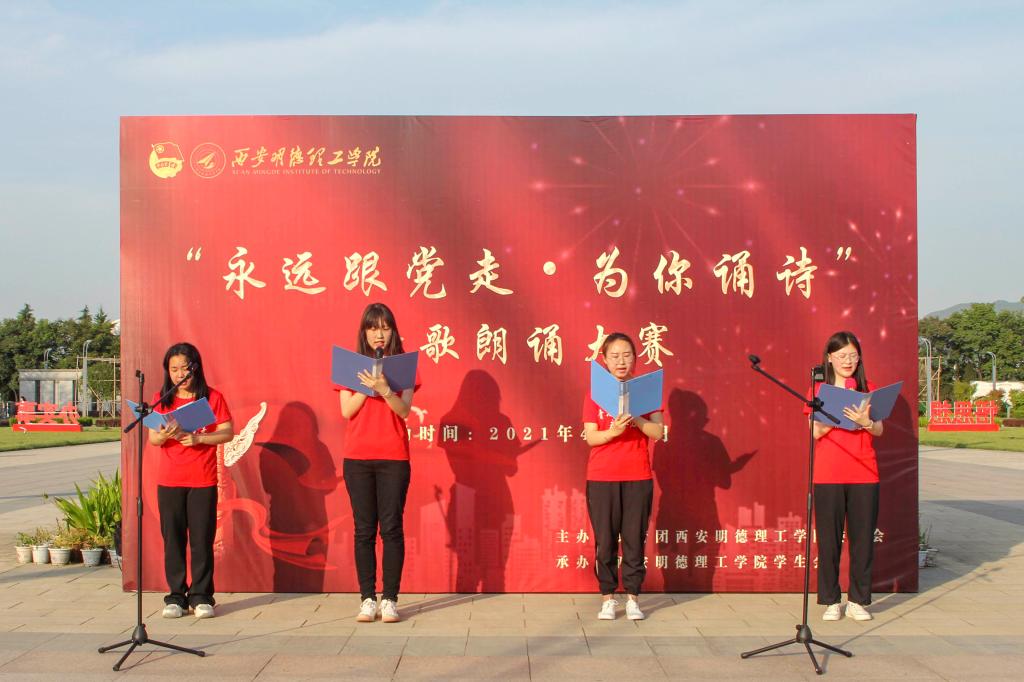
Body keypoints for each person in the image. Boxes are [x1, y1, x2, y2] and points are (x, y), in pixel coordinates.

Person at [337, 303, 418, 623]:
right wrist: (365, 387)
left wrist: (385, 389)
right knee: (364, 530)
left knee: (392, 528)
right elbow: (347, 411)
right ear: (364, 332)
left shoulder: (403, 365)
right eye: (373, 328)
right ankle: (367, 598)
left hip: (393, 457)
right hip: (358, 458)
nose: (379, 334)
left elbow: (404, 410)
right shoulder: (350, 366)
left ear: (393, 331)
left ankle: (390, 599)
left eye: (385, 327)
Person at [148, 342, 234, 619]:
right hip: (169, 480)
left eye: (184, 368)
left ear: (195, 368)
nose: (179, 374)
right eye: (174, 369)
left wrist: (199, 438)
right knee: (172, 540)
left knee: (201, 539)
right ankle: (176, 596)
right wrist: (164, 434)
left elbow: (227, 432)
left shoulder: (212, 397)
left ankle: (201, 596)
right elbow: (153, 439)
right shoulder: (161, 398)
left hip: (202, 479)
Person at [582, 332, 664, 620]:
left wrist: (636, 417)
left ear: (635, 358)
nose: (621, 361)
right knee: (605, 541)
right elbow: (591, 437)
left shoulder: (646, 392)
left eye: (627, 355)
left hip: (637, 476)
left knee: (633, 539)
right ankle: (608, 598)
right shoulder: (595, 393)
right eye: (614, 356)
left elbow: (658, 432)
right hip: (601, 477)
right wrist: (614, 432)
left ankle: (632, 598)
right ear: (604, 360)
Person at [810, 331, 884, 622]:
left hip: (865, 473)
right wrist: (838, 414)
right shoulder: (819, 391)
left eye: (853, 355)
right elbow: (815, 432)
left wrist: (865, 421)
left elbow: (879, 429)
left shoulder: (868, 389)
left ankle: (858, 600)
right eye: (841, 356)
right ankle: (831, 600)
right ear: (830, 358)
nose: (847, 361)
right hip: (828, 474)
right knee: (829, 541)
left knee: (862, 540)